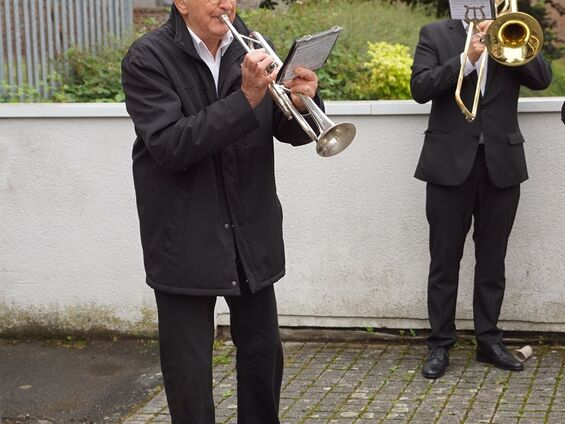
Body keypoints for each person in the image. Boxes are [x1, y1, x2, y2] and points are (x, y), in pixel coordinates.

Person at [121, 0, 321, 422]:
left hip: (249, 231)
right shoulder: (147, 58)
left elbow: (280, 127)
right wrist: (247, 96)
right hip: (184, 235)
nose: (226, 3)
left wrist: (301, 103)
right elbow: (172, 146)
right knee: (189, 372)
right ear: (181, 3)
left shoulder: (245, 49)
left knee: (263, 356)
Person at [411, 18, 552, 379]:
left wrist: (508, 40)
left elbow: (542, 79)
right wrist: (465, 60)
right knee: (444, 261)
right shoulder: (435, 34)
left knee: (493, 260)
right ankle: (440, 344)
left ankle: (488, 341)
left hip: (501, 164)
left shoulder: (514, 29)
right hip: (447, 165)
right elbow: (420, 87)